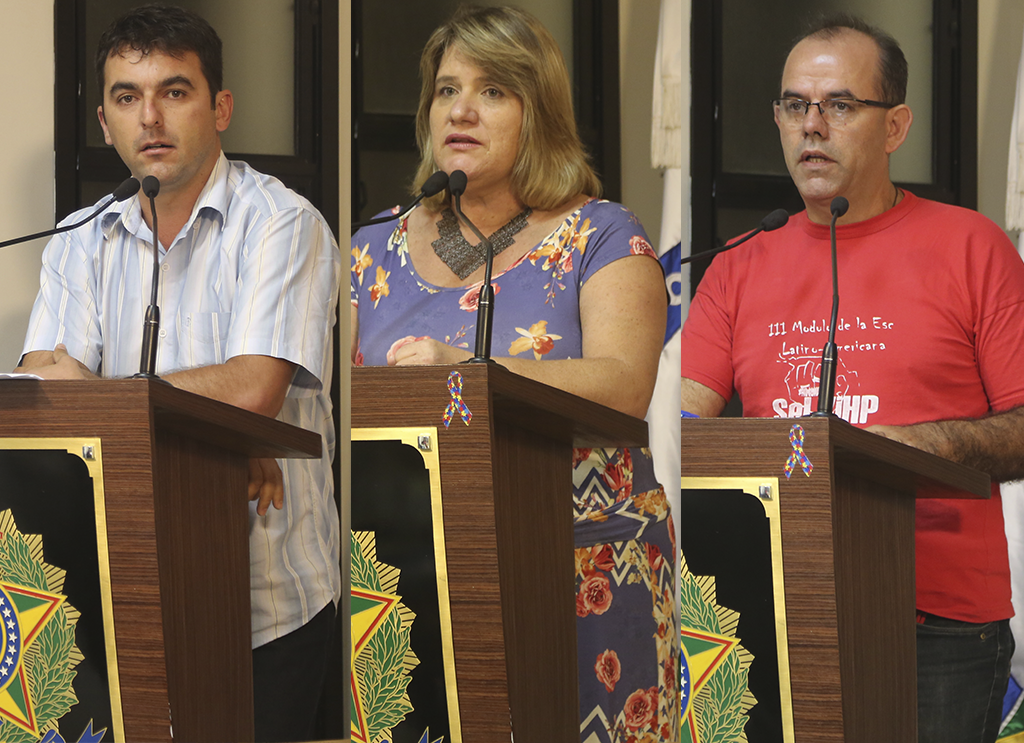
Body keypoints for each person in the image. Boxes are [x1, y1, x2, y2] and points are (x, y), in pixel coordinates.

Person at [681, 13, 1024, 743]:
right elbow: (681, 427)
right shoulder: (740, 260)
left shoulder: (973, 247)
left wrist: (898, 449)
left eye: (839, 105)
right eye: (793, 106)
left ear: (895, 126)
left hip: (937, 621)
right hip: (772, 601)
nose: (812, 126)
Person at [350, 6, 677, 741]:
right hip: (408, 577)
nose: (460, 109)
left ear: (540, 112)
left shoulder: (602, 234)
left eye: (493, 91)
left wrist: (469, 372)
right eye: (446, 89)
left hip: (582, 570)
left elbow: (625, 384)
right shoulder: (371, 249)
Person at [16, 5, 341, 741]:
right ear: (104, 120)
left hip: (267, 605)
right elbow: (44, 395)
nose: (150, 117)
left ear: (220, 107)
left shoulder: (282, 223)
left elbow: (255, 388)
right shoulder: (79, 238)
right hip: (118, 593)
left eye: (175, 91)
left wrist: (104, 397)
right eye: (127, 97)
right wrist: (210, 426)